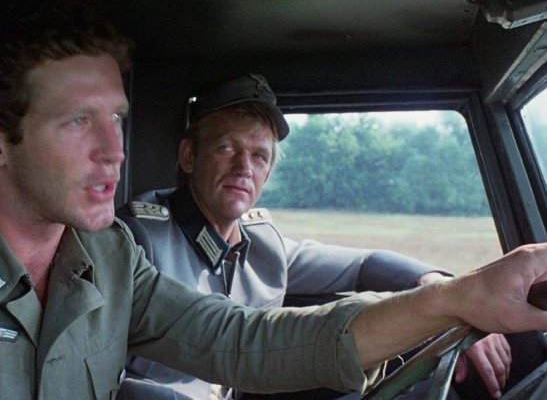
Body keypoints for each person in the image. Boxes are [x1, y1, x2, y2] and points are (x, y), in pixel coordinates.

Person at [0, 0, 547, 400]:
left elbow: (243, 342)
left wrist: (460, 298)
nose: (114, 150)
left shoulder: (107, 256)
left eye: (118, 120)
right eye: (77, 122)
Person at [114, 73, 512, 400]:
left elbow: (364, 263)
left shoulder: (263, 244)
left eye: (259, 156)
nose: (244, 168)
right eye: (226, 149)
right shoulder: (140, 240)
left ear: (268, 173)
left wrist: (446, 289)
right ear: (189, 157)